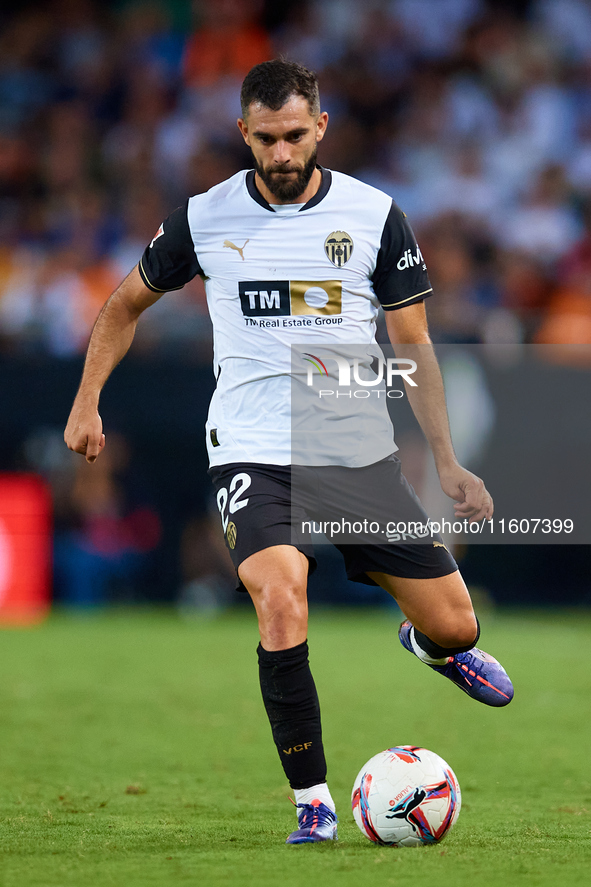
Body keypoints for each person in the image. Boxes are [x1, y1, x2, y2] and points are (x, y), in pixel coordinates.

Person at [65, 60, 513, 845]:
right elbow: (123, 303)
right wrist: (86, 397)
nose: (280, 153)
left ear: (321, 128)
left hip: (348, 443)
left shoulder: (374, 216)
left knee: (458, 624)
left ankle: (431, 645)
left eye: (294, 135)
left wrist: (444, 459)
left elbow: (414, 343)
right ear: (244, 132)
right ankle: (312, 798)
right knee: (280, 597)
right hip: (248, 444)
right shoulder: (203, 218)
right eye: (265, 138)